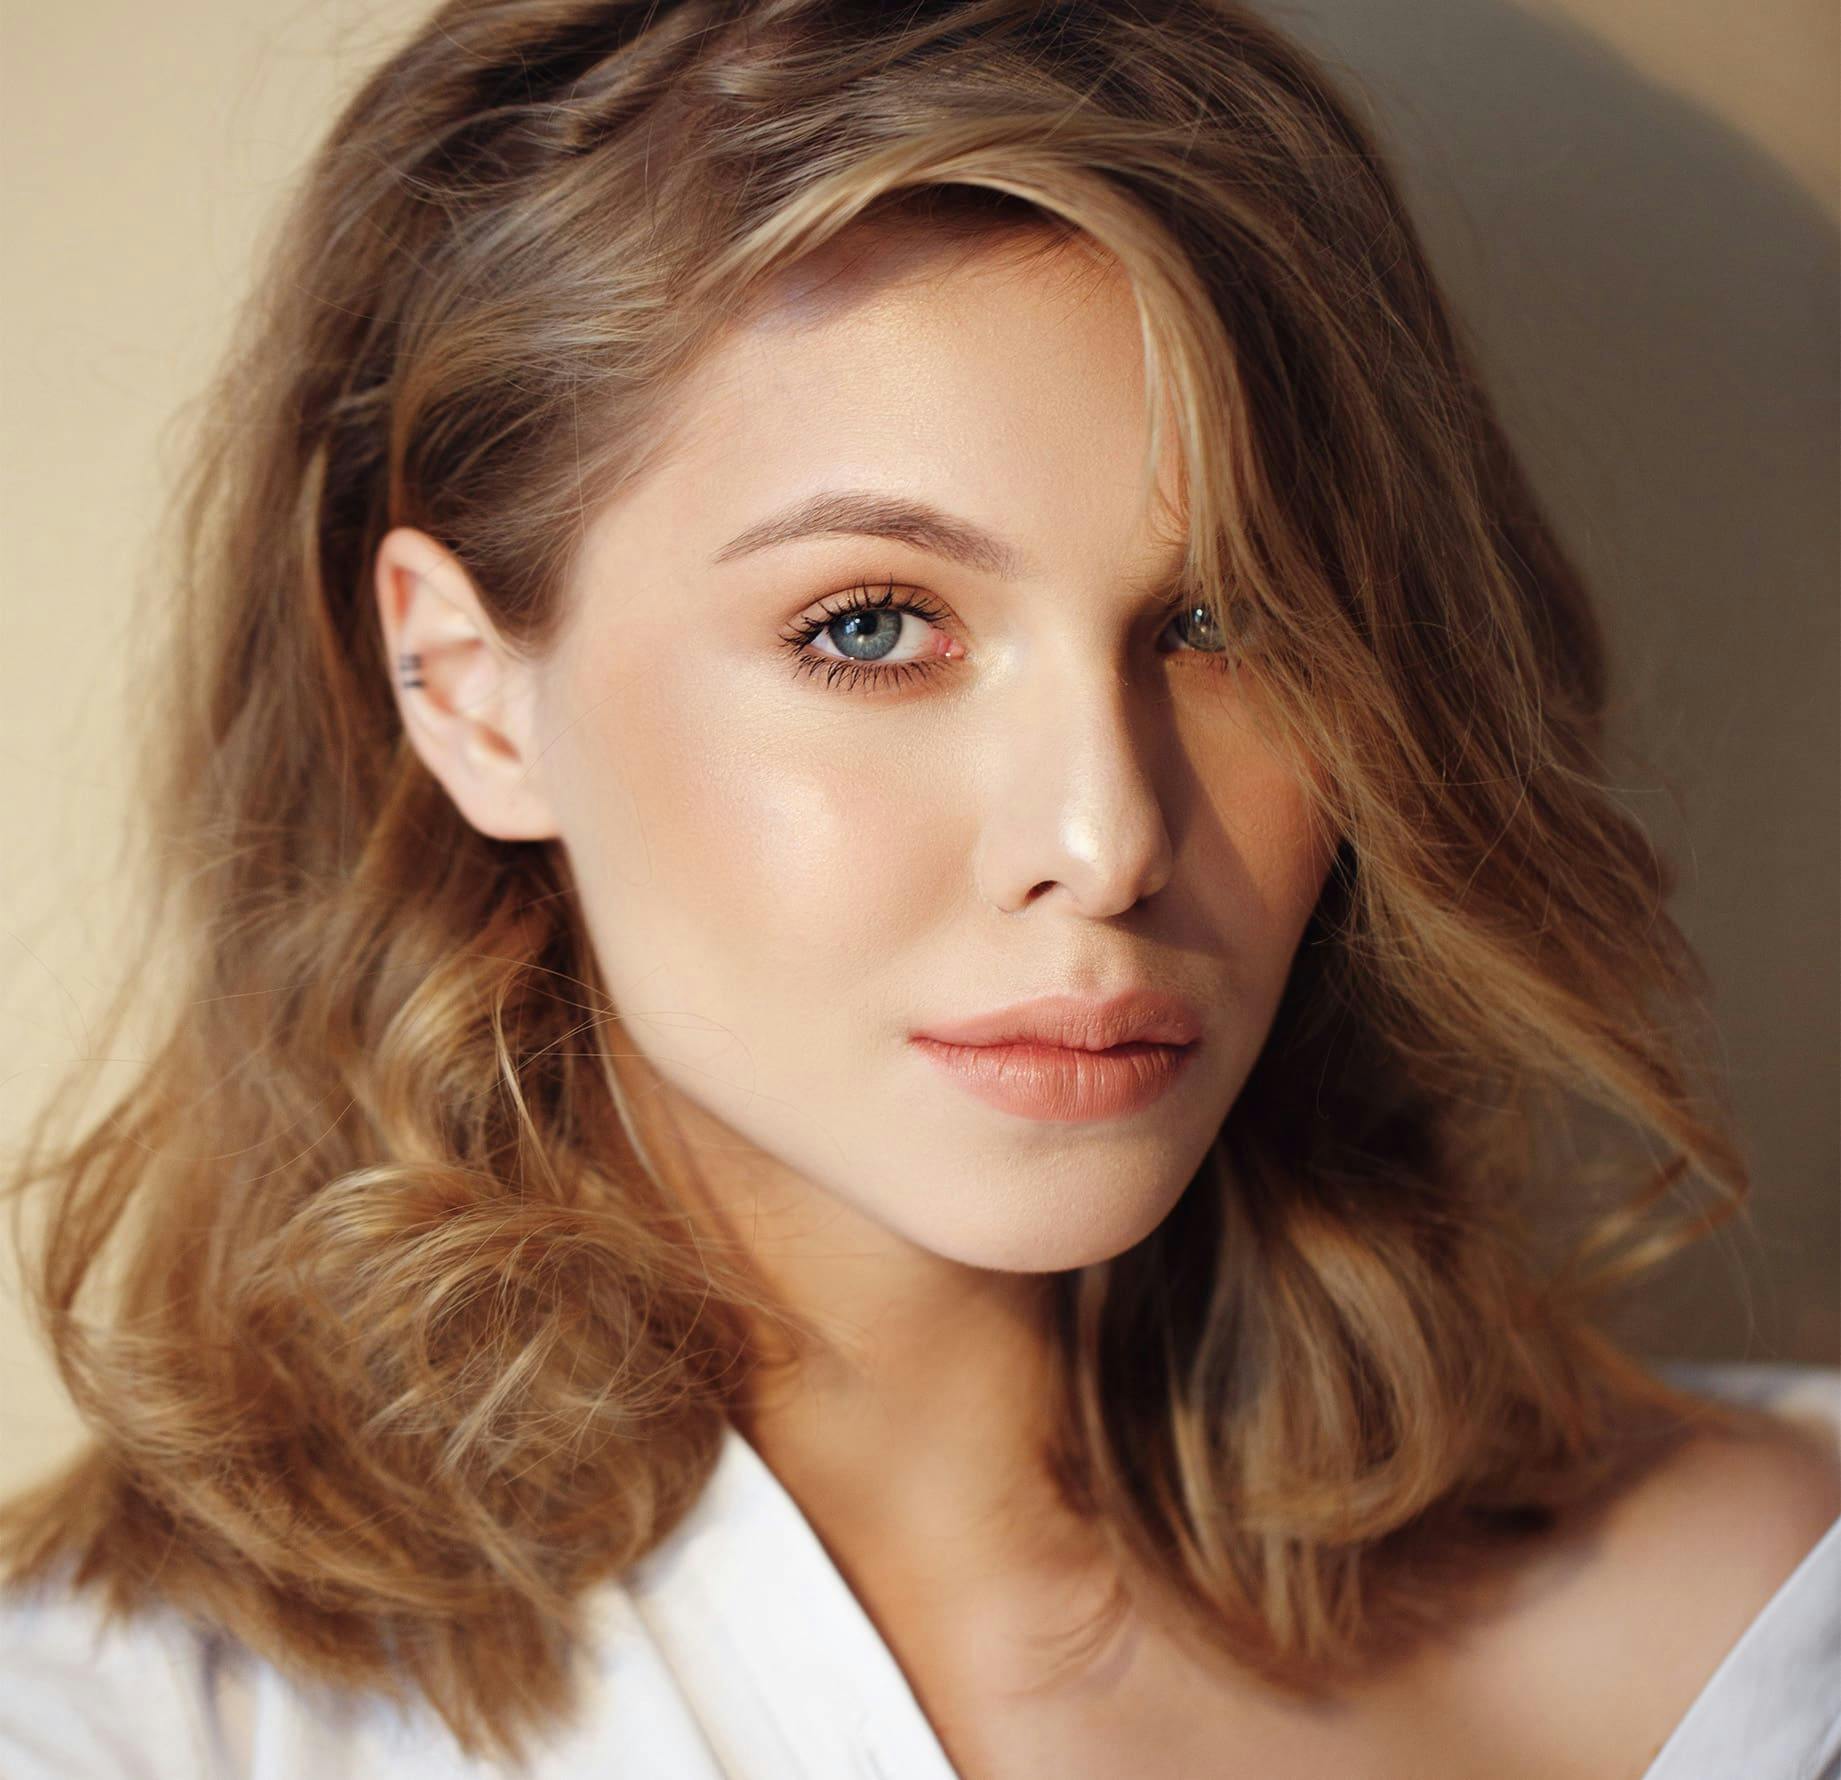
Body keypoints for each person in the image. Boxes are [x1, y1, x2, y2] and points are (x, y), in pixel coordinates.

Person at [0, 1, 1835, 1776]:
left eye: (1228, 621)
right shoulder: (122, 1733)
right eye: (870, 626)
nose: (1104, 834)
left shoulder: (1769, 1623)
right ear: (471, 694)